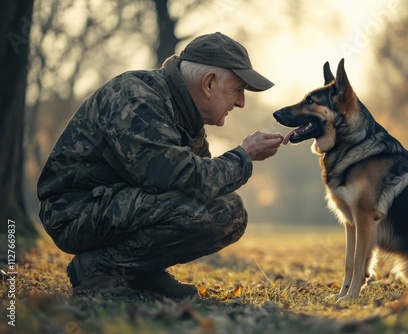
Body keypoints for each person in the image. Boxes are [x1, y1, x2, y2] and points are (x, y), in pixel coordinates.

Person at [37, 32, 283, 298]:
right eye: (238, 90)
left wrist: (242, 158)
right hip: (73, 211)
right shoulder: (136, 100)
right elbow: (176, 178)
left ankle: (137, 274)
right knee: (217, 211)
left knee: (229, 212)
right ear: (209, 84)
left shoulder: (183, 112)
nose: (241, 102)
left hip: (112, 202)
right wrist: (244, 155)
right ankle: (98, 269)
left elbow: (203, 187)